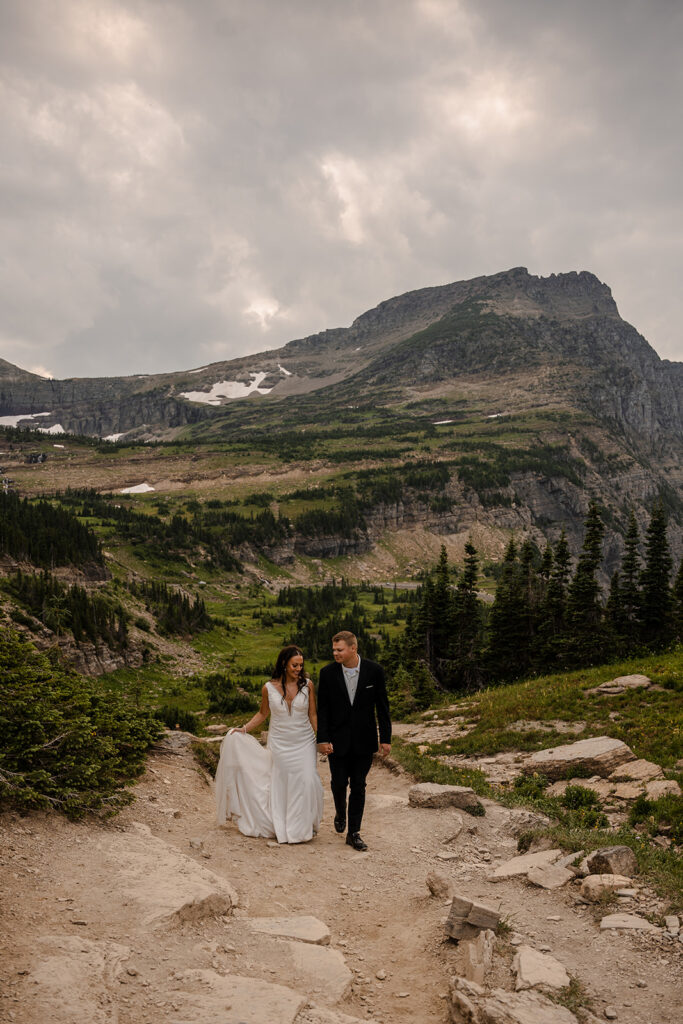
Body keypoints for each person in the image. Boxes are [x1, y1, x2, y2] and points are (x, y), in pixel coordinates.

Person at [215, 645, 323, 844]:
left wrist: (322, 738)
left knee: (307, 780)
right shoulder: (268, 687)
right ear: (284, 664)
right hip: (280, 742)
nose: (299, 669)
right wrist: (244, 729)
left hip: (304, 740)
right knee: (283, 783)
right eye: (294, 665)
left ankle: (301, 829)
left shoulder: (308, 685)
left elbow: (313, 714)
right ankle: (285, 826)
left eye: (301, 665)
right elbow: (263, 714)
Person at [316, 631, 391, 851]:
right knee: (339, 783)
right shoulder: (327, 673)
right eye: (334, 650)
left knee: (359, 786)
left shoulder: (374, 671)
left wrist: (385, 738)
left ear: (353, 649)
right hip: (337, 740)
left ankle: (354, 833)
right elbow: (324, 709)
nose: (335, 653)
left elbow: (383, 707)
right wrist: (323, 738)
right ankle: (340, 811)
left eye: (339, 650)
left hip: (364, 740)